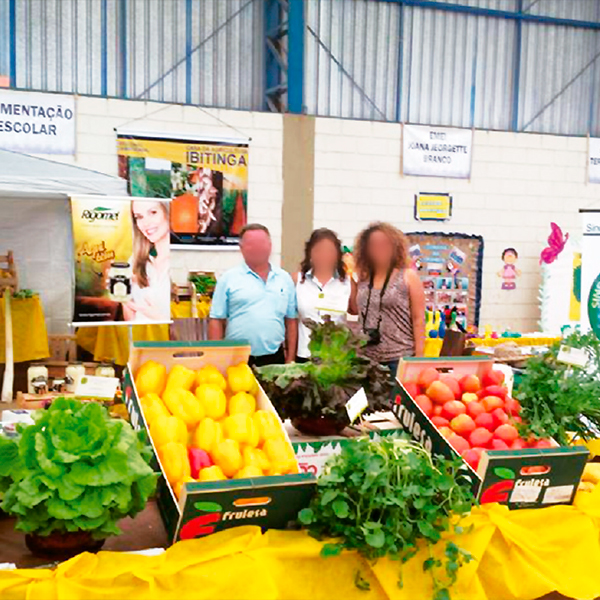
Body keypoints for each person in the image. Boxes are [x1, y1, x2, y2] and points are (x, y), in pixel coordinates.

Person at [208, 223, 298, 366]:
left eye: (261, 243)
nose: (257, 248)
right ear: (241, 248)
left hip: (274, 359)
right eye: (251, 244)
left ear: (270, 245)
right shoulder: (228, 278)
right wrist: (216, 359)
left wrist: (290, 359)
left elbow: (291, 321)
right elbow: (216, 319)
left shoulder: (284, 278)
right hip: (237, 359)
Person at [350, 222, 425, 375]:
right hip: (367, 359)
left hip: (398, 359)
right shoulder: (363, 279)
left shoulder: (407, 277)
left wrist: (419, 358)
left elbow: (418, 319)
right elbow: (355, 310)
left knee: (396, 400)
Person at [293, 228, 353, 362]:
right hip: (305, 356)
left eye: (329, 251)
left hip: (336, 359)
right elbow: (290, 320)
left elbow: (358, 316)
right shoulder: (297, 280)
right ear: (310, 253)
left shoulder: (348, 283)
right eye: (319, 250)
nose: (324, 256)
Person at [123, 200, 171, 322]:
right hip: (141, 338)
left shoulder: (178, 261)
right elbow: (131, 320)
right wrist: (123, 295)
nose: (145, 223)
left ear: (168, 212)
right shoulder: (135, 260)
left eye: (153, 212)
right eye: (139, 217)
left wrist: (155, 315)